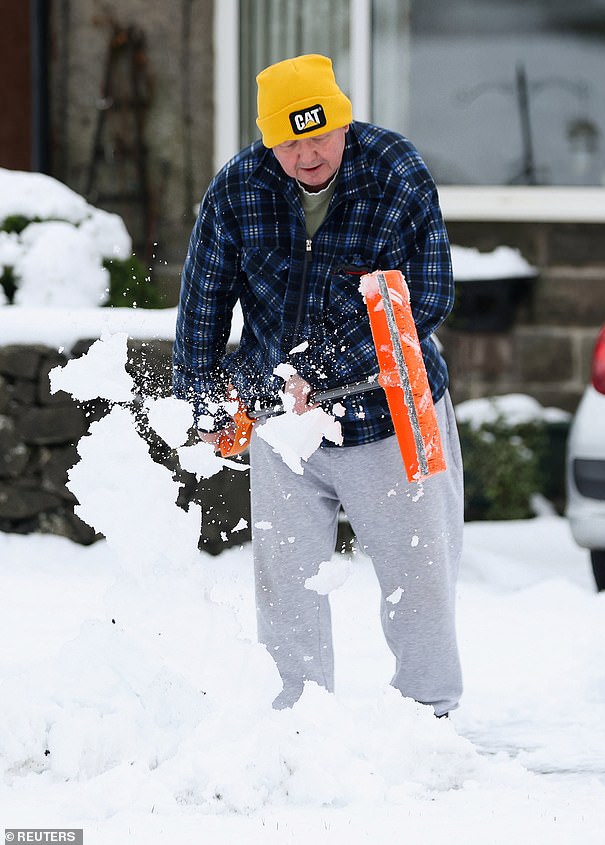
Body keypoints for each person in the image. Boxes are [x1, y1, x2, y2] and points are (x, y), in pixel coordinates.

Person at [173, 54, 463, 717]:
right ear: (268, 140)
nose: (308, 155)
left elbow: (430, 297)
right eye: (290, 141)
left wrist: (319, 367)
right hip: (284, 419)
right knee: (286, 582)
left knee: (418, 578)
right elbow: (204, 305)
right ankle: (298, 722)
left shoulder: (395, 173)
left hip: (391, 411)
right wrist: (203, 395)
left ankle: (429, 715)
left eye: (321, 134)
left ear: (343, 121)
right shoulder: (237, 190)